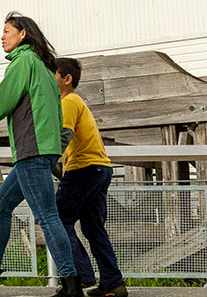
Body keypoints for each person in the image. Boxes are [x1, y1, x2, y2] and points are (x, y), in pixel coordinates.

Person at [0, 12, 80, 297]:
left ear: (23, 34)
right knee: (0, 207)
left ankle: (72, 286)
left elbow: (0, 102)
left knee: (47, 216)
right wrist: (53, 153)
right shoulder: (46, 69)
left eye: (7, 31)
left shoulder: (24, 63)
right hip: (40, 152)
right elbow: (58, 117)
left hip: (31, 152)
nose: (2, 36)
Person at [53, 57, 124, 297]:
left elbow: (63, 136)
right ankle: (113, 283)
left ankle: (80, 276)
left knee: (57, 220)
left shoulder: (68, 101)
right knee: (93, 228)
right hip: (100, 168)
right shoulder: (77, 102)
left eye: (53, 75)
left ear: (67, 79)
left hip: (83, 169)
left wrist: (46, 162)